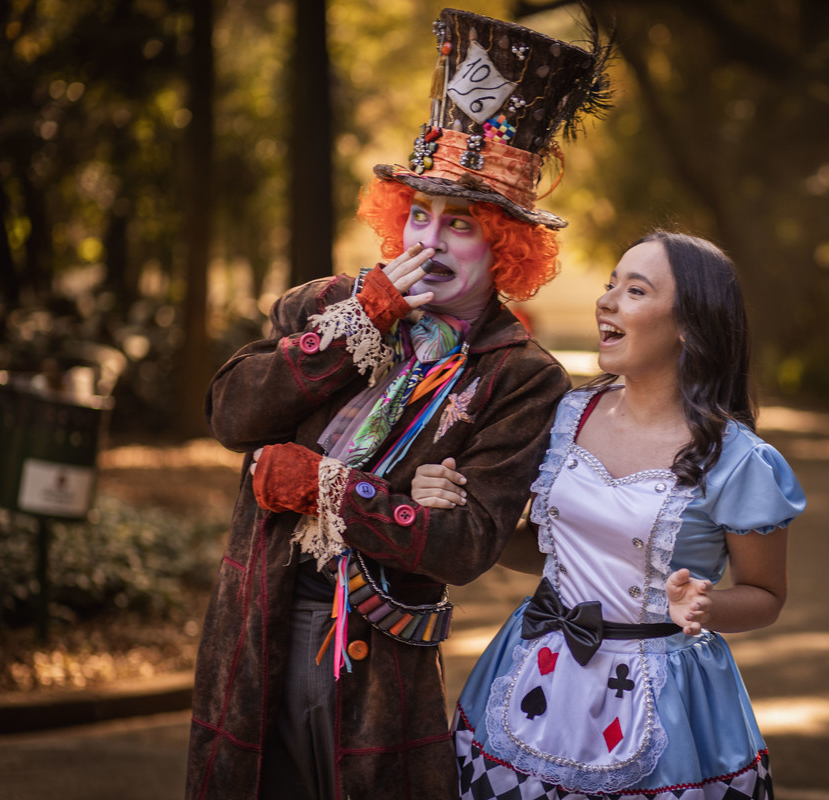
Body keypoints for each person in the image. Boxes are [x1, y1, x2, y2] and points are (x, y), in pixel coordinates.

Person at [185, 9, 610, 800]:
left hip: (378, 661)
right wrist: (359, 325)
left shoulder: (523, 377)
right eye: (419, 215)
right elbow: (230, 416)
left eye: (461, 225)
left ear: (506, 248)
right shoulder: (326, 304)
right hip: (254, 623)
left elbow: (467, 544)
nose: (430, 241)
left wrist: (333, 490)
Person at [412, 231, 807, 800]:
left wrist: (707, 606)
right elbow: (541, 550)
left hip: (665, 698)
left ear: (690, 324)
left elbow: (767, 595)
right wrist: (458, 508)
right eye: (610, 285)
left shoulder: (739, 460)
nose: (607, 301)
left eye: (636, 291)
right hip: (533, 664)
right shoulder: (565, 415)